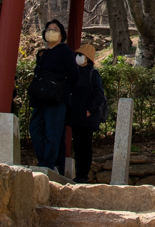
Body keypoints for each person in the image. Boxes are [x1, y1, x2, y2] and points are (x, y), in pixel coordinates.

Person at [27, 19, 79, 171]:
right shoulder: (45, 54)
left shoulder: (64, 51)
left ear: (61, 34)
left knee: (53, 132)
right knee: (35, 129)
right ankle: (44, 160)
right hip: (41, 98)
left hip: (57, 98)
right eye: (48, 29)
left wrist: (63, 90)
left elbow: (74, 75)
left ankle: (48, 165)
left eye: (55, 29)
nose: (51, 32)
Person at [67, 43, 108, 183]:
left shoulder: (93, 73)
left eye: (81, 55)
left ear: (87, 58)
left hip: (87, 116)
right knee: (78, 146)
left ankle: (83, 174)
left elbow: (99, 94)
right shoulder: (75, 73)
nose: (78, 57)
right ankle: (79, 174)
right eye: (77, 55)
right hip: (76, 115)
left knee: (85, 146)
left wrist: (90, 110)